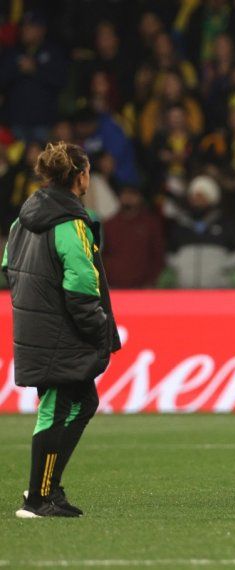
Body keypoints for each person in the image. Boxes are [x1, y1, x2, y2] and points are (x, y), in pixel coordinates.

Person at [2, 142, 121, 517]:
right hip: (61, 331)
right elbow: (82, 287)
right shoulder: (71, 223)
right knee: (55, 410)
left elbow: (8, 268)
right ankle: (37, 500)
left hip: (35, 325)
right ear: (80, 175)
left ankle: (48, 488)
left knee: (83, 403)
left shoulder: (22, 220)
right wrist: (100, 330)